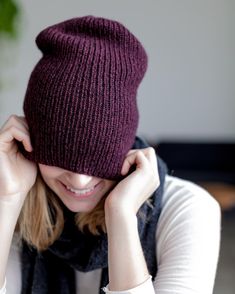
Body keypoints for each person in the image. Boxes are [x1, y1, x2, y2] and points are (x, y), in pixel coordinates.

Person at [0, 16, 221, 294]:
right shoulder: (16, 202)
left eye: (97, 158)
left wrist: (122, 216)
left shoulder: (189, 210)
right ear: (32, 143)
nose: (80, 180)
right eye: (61, 156)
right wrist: (6, 199)